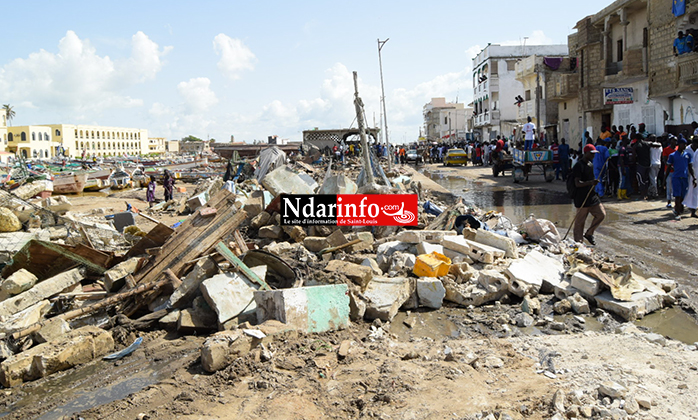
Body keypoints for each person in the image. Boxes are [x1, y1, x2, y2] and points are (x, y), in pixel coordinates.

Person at [572, 144, 606, 245]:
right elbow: (577, 183)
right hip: (581, 197)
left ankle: (589, 233)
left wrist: (593, 183)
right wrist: (591, 183)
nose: (593, 156)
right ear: (585, 153)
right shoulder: (578, 165)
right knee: (580, 222)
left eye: (594, 154)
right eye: (591, 154)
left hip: (591, 196)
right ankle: (578, 243)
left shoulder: (590, 164)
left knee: (601, 214)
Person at [667, 137, 697, 219]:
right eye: (683, 144)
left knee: (683, 195)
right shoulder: (672, 155)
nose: (684, 146)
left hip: (684, 178)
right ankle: (677, 212)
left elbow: (690, 167)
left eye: (685, 144)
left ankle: (679, 207)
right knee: (677, 195)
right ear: (679, 145)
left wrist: (694, 177)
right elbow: (669, 167)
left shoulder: (687, 155)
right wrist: (665, 179)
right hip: (676, 177)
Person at [633, 133, 652, 200]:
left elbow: (634, 156)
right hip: (648, 164)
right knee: (646, 180)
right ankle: (646, 194)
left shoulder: (636, 145)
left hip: (641, 164)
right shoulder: (647, 144)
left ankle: (642, 195)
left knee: (640, 180)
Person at [684, 136, 698, 217]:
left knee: (694, 192)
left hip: (695, 173)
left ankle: (693, 209)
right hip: (690, 173)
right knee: (689, 190)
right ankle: (682, 207)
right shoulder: (687, 150)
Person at [663, 136, 678, 207]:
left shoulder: (678, 149)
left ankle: (676, 202)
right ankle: (669, 202)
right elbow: (664, 160)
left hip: (677, 171)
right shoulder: (666, 149)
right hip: (669, 171)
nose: (675, 142)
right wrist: (670, 166)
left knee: (676, 187)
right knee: (669, 187)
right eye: (674, 140)